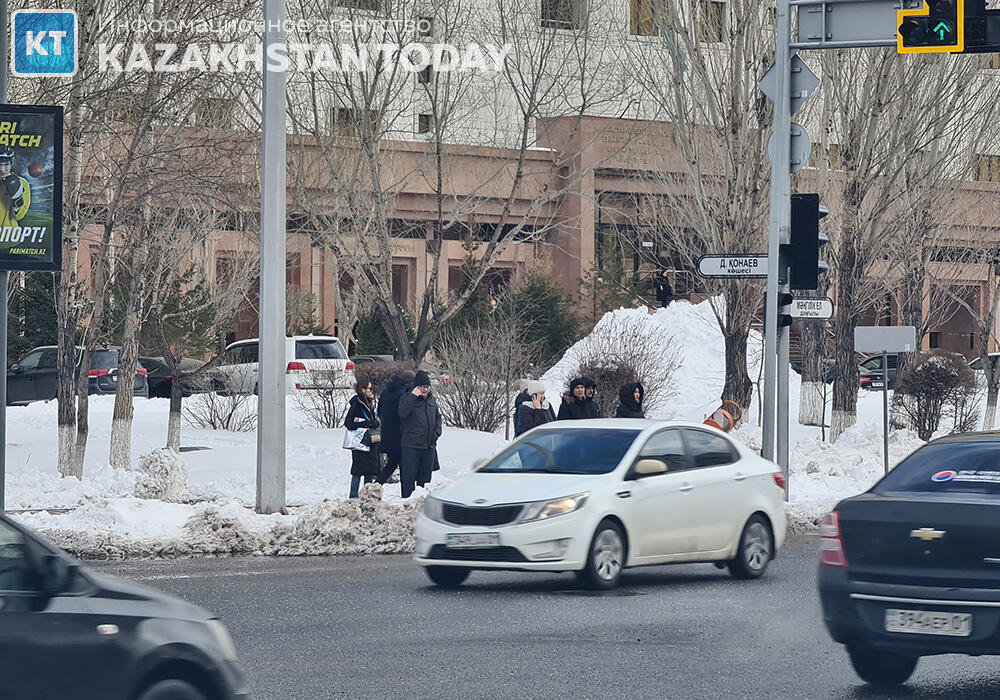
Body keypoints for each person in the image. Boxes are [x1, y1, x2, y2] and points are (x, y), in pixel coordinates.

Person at [398, 370, 442, 498]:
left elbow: (438, 417)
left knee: (425, 479)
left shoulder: (432, 400)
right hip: (411, 446)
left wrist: (437, 432)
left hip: (428, 445)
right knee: (409, 478)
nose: (424, 389)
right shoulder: (407, 398)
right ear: (416, 387)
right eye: (421, 386)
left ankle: (421, 502)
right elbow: (402, 413)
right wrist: (413, 396)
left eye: (427, 386)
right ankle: (407, 501)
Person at [377, 369, 416, 484]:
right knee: (404, 465)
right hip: (400, 435)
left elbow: (379, 411)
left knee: (392, 464)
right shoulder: (403, 393)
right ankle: (407, 490)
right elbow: (404, 414)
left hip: (387, 434)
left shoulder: (386, 392)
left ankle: (376, 485)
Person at [344, 379, 381, 498]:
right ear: (363, 390)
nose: (371, 391)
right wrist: (364, 423)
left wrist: (374, 423)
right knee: (358, 471)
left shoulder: (368, 403)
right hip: (360, 443)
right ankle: (353, 496)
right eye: (369, 388)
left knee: (369, 471)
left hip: (369, 443)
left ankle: (367, 495)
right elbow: (348, 423)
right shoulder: (357, 405)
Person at [0, 147, 29, 228]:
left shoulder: (22, 183)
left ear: (12, 164)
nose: (2, 169)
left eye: (6, 164)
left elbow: (20, 216)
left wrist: (17, 202)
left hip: (10, 233)